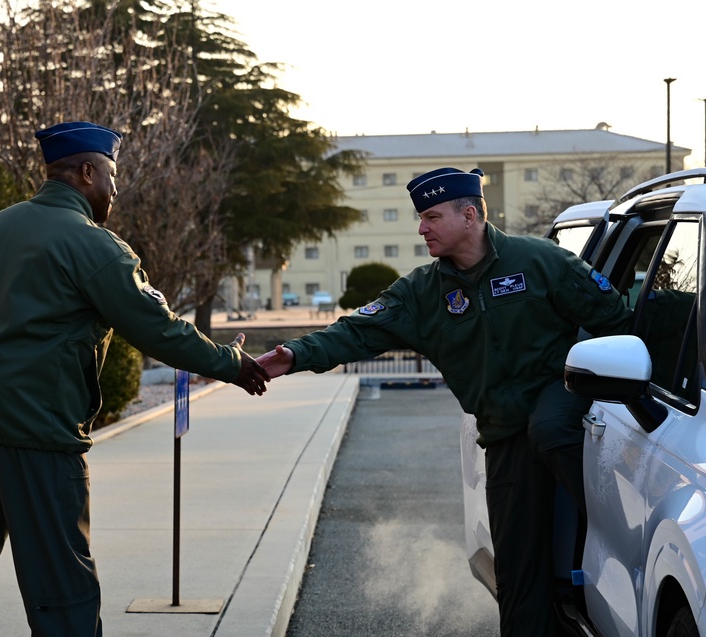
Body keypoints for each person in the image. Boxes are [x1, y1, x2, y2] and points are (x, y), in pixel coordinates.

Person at [0, 121, 271, 637]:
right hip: (38, 425)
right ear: (86, 172)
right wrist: (233, 365)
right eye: (111, 175)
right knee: (62, 585)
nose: (115, 190)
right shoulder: (94, 245)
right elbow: (158, 330)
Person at [255, 167, 633, 637]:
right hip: (503, 435)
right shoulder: (423, 292)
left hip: (558, 403)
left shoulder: (538, 260)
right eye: (420, 217)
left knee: (550, 426)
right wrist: (294, 355)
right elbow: (359, 330)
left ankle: (618, 536)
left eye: (431, 216)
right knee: (516, 577)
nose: (421, 228)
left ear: (469, 214)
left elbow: (616, 319)